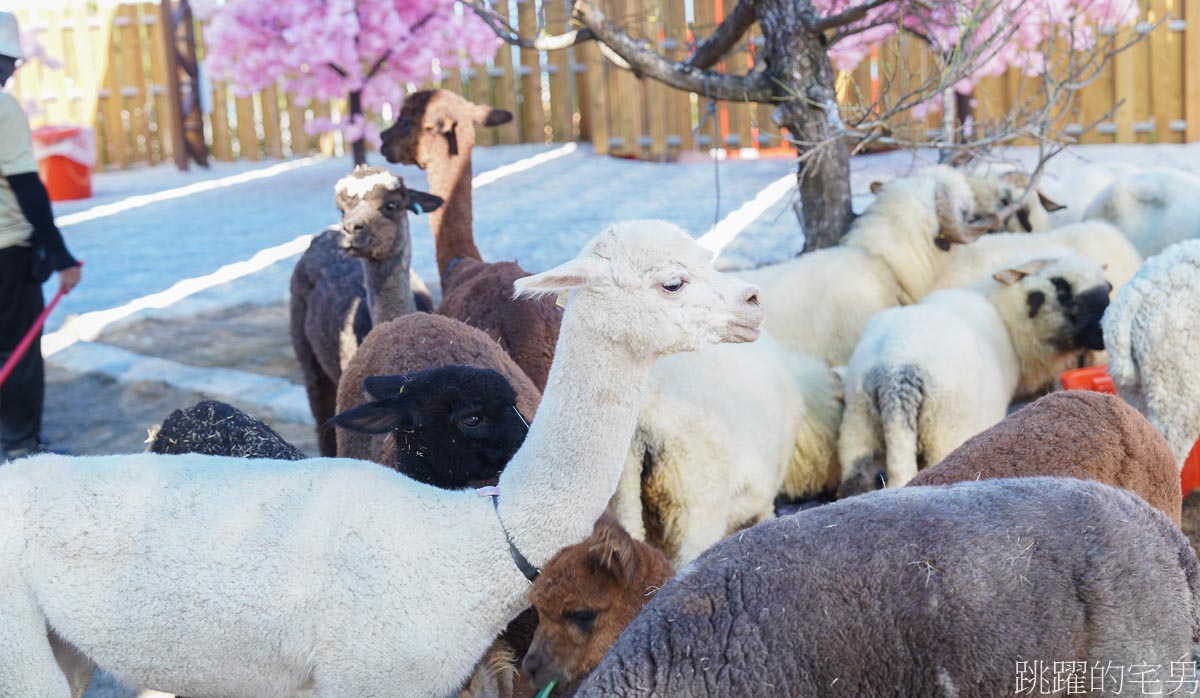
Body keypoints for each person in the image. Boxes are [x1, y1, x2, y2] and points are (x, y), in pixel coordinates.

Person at [0, 10, 82, 461]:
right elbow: (26, 186)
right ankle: (19, 447)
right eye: (10, 63)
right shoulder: (2, 107)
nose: (13, 72)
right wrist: (62, 257)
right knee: (17, 349)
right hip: (6, 250)